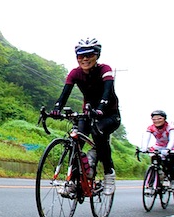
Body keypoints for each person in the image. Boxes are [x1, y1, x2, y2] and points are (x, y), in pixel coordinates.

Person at [50, 38, 121, 195]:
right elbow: (65, 93)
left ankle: (109, 173)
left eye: (89, 55)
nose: (85, 59)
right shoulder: (75, 73)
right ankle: (74, 182)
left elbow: (107, 91)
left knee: (97, 132)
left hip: (109, 115)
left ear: (97, 56)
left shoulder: (105, 69)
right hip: (88, 113)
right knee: (76, 141)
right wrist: (56, 108)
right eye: (81, 56)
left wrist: (101, 108)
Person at [142, 110, 174, 193]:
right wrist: (144, 148)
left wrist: (168, 149)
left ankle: (172, 180)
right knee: (154, 160)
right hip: (159, 146)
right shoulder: (151, 127)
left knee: (170, 160)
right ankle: (151, 184)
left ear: (164, 119)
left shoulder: (170, 127)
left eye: (159, 118)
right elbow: (146, 138)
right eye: (154, 119)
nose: (156, 121)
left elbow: (172, 140)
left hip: (172, 147)